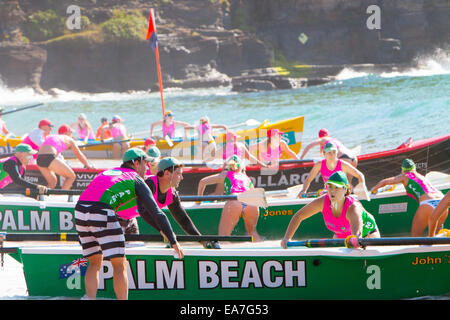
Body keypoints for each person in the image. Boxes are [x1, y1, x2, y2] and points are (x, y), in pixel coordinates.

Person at [75, 148, 184, 300]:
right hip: (101, 211)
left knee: (94, 262)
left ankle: (89, 298)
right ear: (136, 163)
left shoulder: (108, 172)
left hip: (80, 209)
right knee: (120, 265)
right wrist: (173, 241)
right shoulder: (136, 179)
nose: (147, 168)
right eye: (145, 163)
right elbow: (157, 212)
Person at [281, 171, 380, 249]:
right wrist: (286, 238)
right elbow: (298, 216)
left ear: (345, 189)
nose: (332, 191)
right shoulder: (322, 202)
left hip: (368, 235)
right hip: (341, 237)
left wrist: (356, 241)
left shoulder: (353, 208)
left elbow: (357, 236)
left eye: (336, 187)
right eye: (330, 186)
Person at [139, 156, 220, 248]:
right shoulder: (149, 185)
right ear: (166, 173)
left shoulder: (172, 194)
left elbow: (183, 220)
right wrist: (163, 230)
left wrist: (202, 241)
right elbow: (143, 211)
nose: (181, 178)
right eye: (179, 174)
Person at [371, 159, 446, 237]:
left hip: (428, 203)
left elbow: (384, 182)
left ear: (402, 170)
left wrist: (373, 189)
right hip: (441, 201)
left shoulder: (405, 176)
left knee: (415, 235)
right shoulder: (421, 176)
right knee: (436, 235)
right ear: (414, 169)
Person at [197, 155, 262, 241]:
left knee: (223, 237)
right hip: (251, 202)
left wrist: (199, 201)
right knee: (253, 233)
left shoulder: (225, 174)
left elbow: (202, 182)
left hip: (235, 200)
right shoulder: (247, 178)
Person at [298, 142, 367, 197]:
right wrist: (303, 190)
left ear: (337, 153)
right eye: (329, 152)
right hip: (329, 193)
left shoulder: (342, 164)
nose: (332, 155)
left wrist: (362, 187)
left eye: (334, 152)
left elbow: (360, 175)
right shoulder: (319, 164)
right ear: (324, 154)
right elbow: (308, 179)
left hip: (342, 194)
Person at [36, 124, 94, 190]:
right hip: (49, 157)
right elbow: (79, 155)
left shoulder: (52, 136)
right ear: (66, 132)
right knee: (71, 176)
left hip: (39, 158)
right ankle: (62, 196)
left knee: (52, 182)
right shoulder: (69, 139)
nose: (72, 134)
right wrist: (87, 165)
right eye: (71, 132)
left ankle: (42, 198)